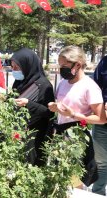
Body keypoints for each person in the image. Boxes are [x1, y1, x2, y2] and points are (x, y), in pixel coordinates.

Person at [48, 46, 106, 187]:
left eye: (64, 65)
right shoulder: (63, 83)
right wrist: (55, 107)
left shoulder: (89, 87)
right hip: (60, 134)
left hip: (76, 137)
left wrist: (74, 114)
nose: (61, 69)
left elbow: (102, 118)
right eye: (60, 65)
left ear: (78, 64)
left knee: (73, 181)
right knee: (57, 177)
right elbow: (64, 107)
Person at [10, 48, 55, 166]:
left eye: (16, 67)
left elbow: (49, 113)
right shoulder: (19, 82)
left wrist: (28, 103)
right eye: (12, 67)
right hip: (18, 134)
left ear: (27, 66)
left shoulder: (44, 85)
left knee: (31, 169)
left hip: (35, 138)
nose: (13, 71)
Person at [92, 55, 107, 195]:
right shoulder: (105, 61)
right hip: (103, 120)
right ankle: (98, 193)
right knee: (101, 162)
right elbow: (94, 87)